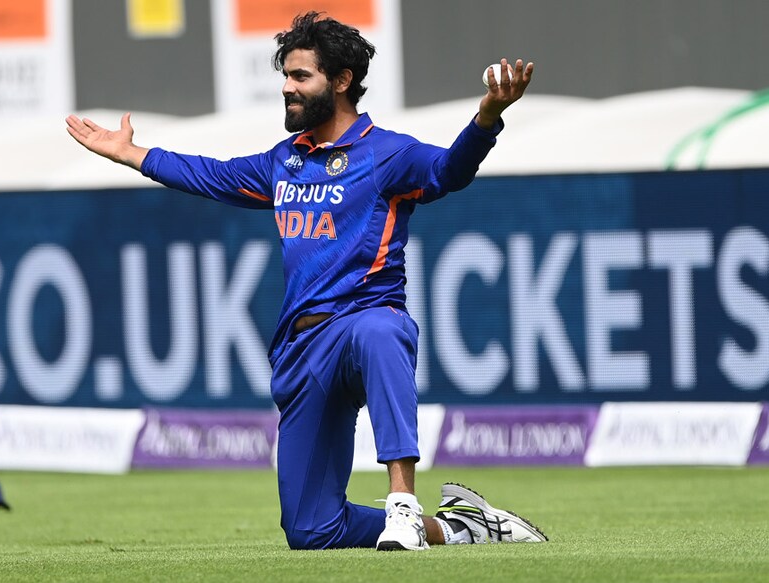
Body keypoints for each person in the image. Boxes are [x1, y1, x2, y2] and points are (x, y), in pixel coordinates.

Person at [66, 11, 546, 551]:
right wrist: (132, 154)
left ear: (341, 81)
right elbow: (210, 175)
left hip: (361, 325)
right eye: (286, 77)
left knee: (382, 330)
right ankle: (460, 528)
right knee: (311, 530)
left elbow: (448, 171)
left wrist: (487, 119)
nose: (287, 88)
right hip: (303, 349)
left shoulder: (387, 153)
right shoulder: (284, 161)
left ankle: (403, 505)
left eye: (301, 76)